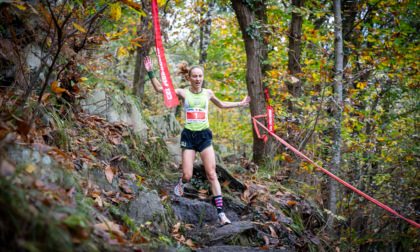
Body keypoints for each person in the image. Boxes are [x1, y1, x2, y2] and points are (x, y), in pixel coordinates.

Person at [143, 56, 250, 225]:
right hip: (189, 137)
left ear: (203, 77)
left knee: (212, 173)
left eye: (200, 76)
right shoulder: (183, 92)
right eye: (195, 76)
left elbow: (221, 104)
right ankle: (181, 184)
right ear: (189, 78)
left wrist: (240, 103)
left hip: (204, 136)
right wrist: (150, 71)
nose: (198, 79)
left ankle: (221, 214)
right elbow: (158, 89)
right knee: (187, 174)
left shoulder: (208, 93)